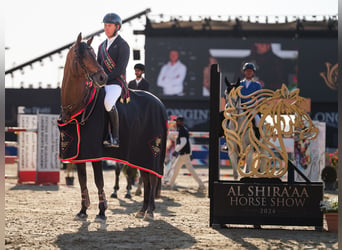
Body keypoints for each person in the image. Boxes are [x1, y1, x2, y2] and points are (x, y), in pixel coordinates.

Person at [97, 13, 130, 148]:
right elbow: (97, 66)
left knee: (108, 102)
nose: (106, 28)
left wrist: (104, 79)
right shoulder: (101, 46)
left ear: (117, 27)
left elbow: (120, 69)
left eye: (109, 26)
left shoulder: (123, 45)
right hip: (101, 83)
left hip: (116, 83)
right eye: (105, 25)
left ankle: (115, 137)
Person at [166, 116, 205, 192]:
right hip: (183, 154)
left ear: (180, 122)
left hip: (183, 154)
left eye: (177, 121)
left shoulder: (182, 131)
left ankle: (201, 185)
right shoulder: (183, 130)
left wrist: (176, 150)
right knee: (176, 169)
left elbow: (184, 142)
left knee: (188, 170)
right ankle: (170, 184)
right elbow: (187, 143)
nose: (176, 123)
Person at [239, 62, 262, 138]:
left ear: (253, 73)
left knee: (258, 122)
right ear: (244, 72)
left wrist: (255, 106)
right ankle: (229, 142)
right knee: (230, 122)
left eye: (250, 71)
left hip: (252, 109)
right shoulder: (239, 84)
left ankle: (258, 139)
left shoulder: (257, 85)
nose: (248, 72)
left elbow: (259, 97)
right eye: (247, 71)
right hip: (241, 109)